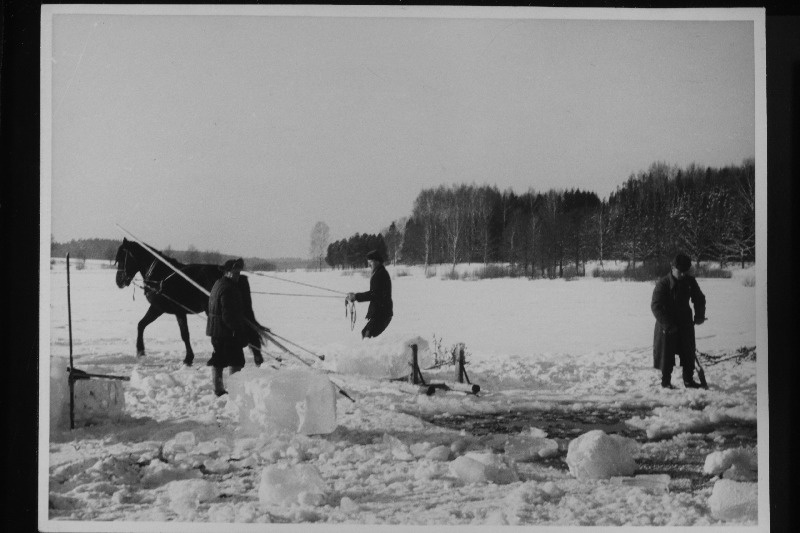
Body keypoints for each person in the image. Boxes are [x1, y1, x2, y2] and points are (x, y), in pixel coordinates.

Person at [651, 253, 707, 389]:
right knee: (667, 355)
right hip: (667, 325)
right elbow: (656, 306)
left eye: (685, 271)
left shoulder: (689, 281)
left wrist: (699, 315)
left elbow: (699, 298)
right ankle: (666, 382)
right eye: (680, 271)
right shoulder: (663, 284)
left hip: (685, 323)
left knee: (688, 353)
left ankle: (688, 381)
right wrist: (668, 325)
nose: (682, 274)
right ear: (673, 268)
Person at [206, 258, 249, 396]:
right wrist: (238, 331)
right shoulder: (229, 288)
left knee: (219, 359)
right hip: (226, 332)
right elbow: (228, 315)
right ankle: (235, 392)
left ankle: (218, 389)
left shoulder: (219, 283)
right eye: (234, 273)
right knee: (236, 360)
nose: (237, 276)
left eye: (238, 273)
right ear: (227, 272)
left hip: (216, 331)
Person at [346, 249, 393, 339]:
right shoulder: (379, 272)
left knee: (367, 335)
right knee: (365, 333)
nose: (369, 265)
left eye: (370, 262)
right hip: (381, 312)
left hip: (382, 313)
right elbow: (374, 294)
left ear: (377, 261)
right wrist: (356, 296)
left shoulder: (380, 274)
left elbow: (374, 294)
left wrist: (356, 296)